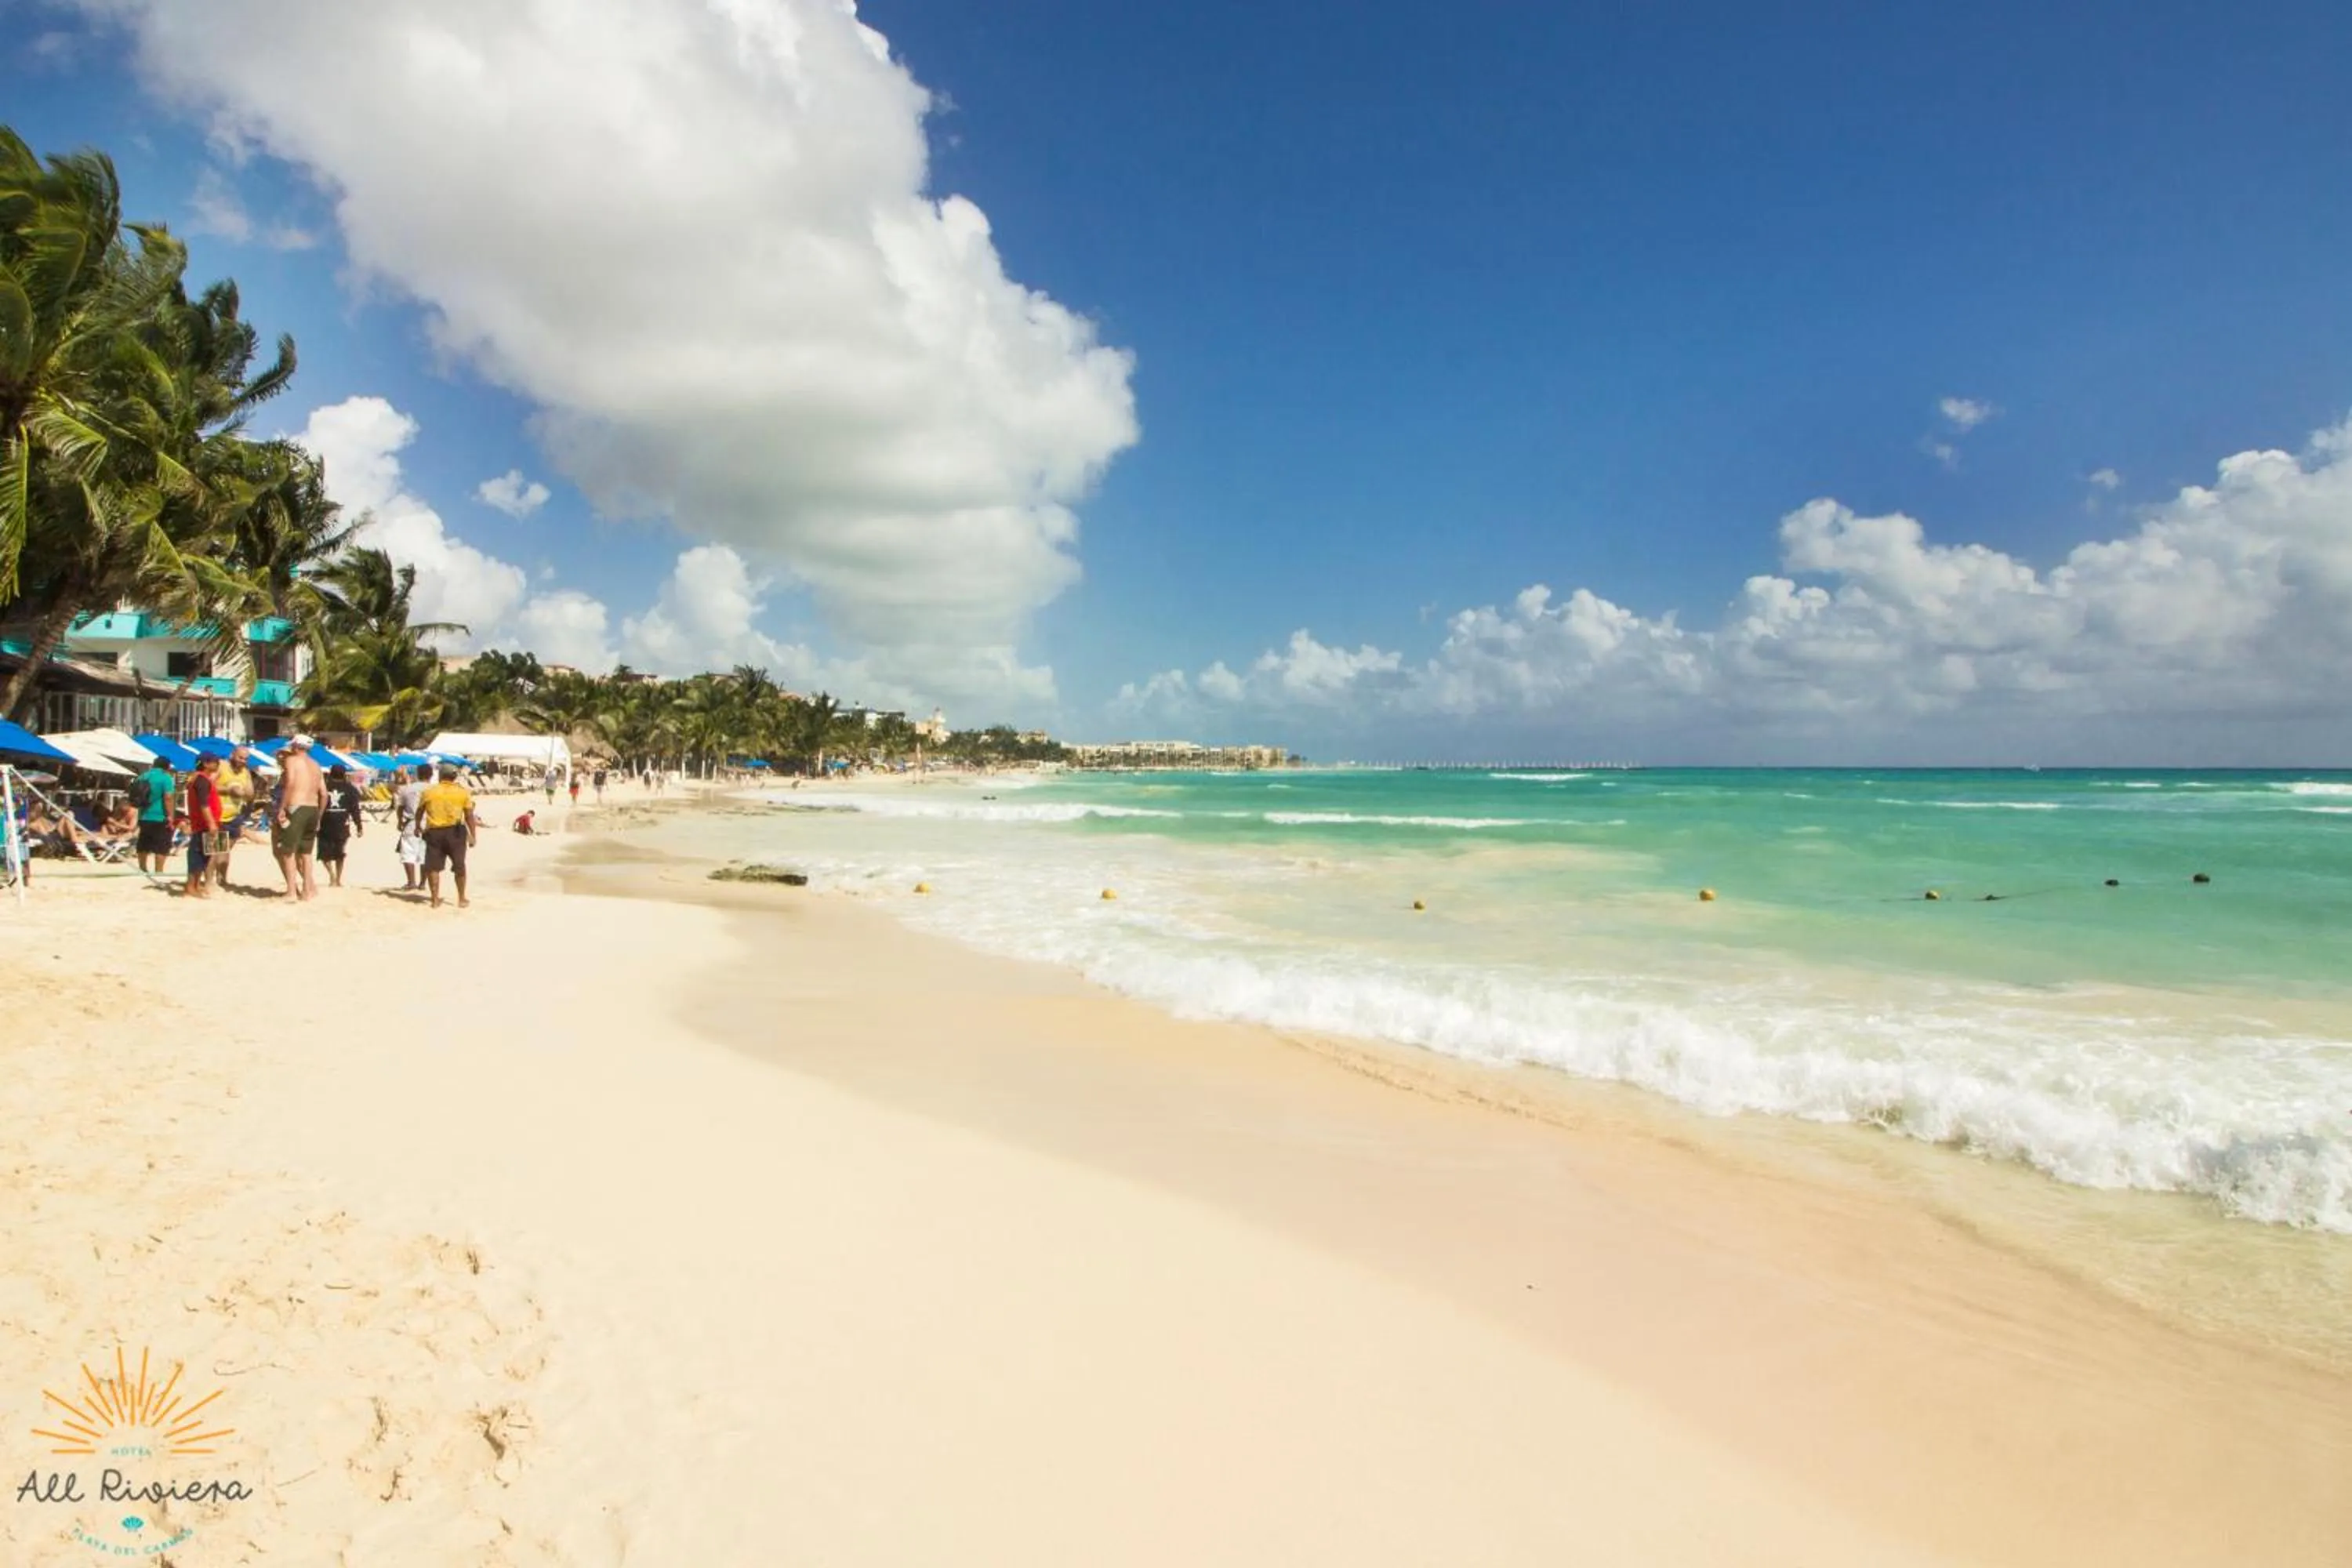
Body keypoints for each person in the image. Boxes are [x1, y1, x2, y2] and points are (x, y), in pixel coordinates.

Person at [273, 735, 328, 902]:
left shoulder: (293, 761)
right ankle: (307, 891)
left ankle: (291, 892)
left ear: (296, 746)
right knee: (306, 853)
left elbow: (290, 783)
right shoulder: (316, 765)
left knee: (288, 851)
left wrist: (282, 808)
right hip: (313, 808)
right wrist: (319, 816)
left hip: (296, 807)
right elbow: (324, 794)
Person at [418, 764, 479, 909]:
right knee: (459, 865)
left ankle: (434, 900)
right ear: (454, 777)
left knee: (433, 867)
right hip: (456, 833)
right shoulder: (463, 793)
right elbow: (469, 816)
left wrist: (416, 826)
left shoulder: (429, 792)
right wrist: (473, 835)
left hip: (434, 832)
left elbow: (420, 812)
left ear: (440, 776)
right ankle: (462, 898)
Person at [212, 742, 259, 890]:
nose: (243, 761)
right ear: (232, 755)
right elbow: (208, 785)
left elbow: (250, 794)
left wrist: (248, 791)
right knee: (215, 850)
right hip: (217, 814)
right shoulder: (221, 766)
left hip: (234, 815)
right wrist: (228, 790)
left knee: (226, 850)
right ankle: (208, 880)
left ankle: (222, 879)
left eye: (246, 759)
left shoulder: (245, 771)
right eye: (240, 758)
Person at [314, 762, 365, 887]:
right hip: (342, 823)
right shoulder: (350, 789)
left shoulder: (324, 786)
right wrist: (359, 826)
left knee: (324, 852)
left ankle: (331, 875)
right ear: (344, 775)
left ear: (330, 774)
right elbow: (355, 809)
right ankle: (338, 878)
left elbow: (315, 804)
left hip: (325, 822)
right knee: (340, 852)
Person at [182, 753, 223, 898]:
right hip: (204, 824)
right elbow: (203, 804)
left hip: (206, 823)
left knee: (206, 855)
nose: (218, 763)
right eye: (215, 761)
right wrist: (211, 824)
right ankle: (190, 887)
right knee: (197, 855)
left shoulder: (202, 779)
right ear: (206, 763)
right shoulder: (201, 780)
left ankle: (196, 885)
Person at [132, 754, 178, 874]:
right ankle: (159, 871)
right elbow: (168, 798)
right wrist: (170, 816)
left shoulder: (142, 777)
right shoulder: (166, 778)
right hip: (160, 816)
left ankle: (142, 868)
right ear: (167, 767)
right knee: (162, 845)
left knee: (144, 842)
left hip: (143, 815)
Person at [394, 764, 428, 891]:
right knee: (425, 854)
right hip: (429, 823)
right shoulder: (434, 789)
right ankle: (423, 883)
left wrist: (399, 821)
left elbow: (400, 807)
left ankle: (411, 882)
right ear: (430, 775)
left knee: (408, 851)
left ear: (418, 774)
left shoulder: (408, 789)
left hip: (411, 822)